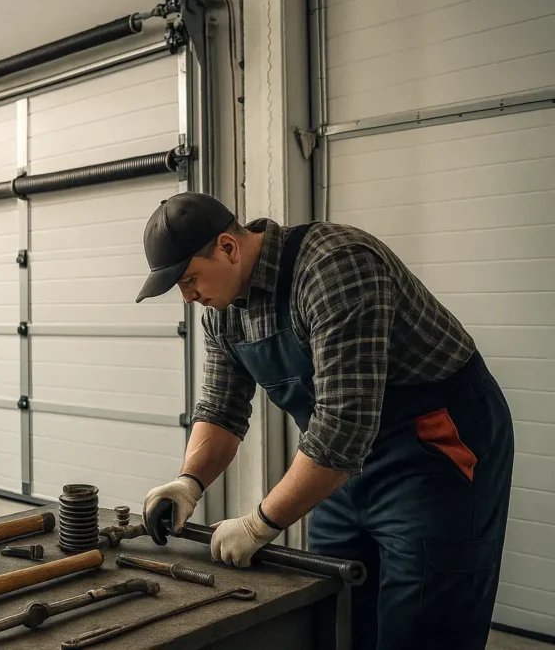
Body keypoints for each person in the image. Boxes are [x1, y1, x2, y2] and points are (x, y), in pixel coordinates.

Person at [136, 192, 514, 650]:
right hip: (344, 465)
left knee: (423, 623)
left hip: (435, 451)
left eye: (190, 278)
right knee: (337, 610)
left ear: (228, 247)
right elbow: (221, 408)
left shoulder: (335, 268)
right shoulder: (224, 310)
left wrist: (258, 525)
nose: (189, 296)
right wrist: (188, 483)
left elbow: (343, 425)